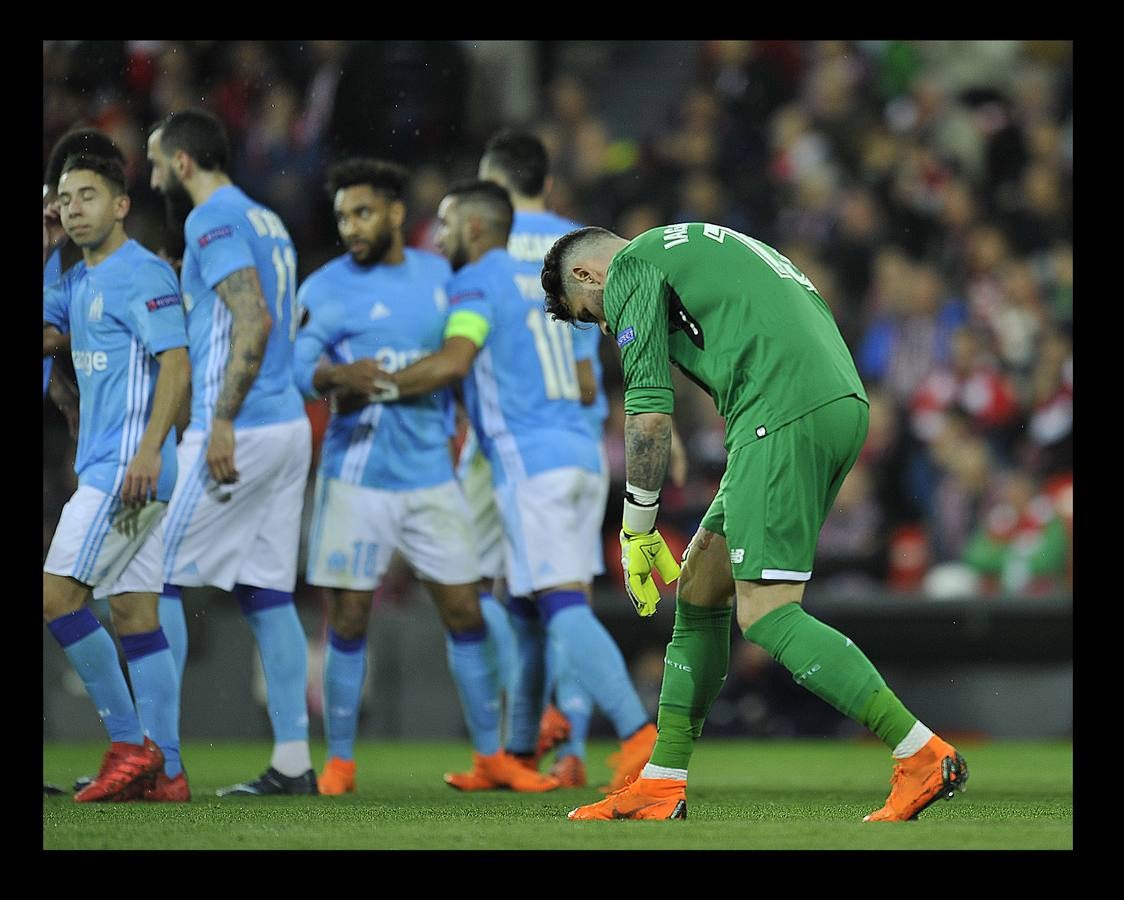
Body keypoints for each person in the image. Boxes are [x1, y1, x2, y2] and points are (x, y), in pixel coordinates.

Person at [541, 222, 969, 822]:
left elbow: (647, 417)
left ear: (589, 275)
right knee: (701, 584)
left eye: (594, 314)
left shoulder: (634, 263)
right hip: (831, 403)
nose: (608, 327)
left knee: (766, 612)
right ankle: (662, 782)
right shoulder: (705, 244)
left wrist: (636, 526)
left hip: (779, 413)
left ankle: (920, 751)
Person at [369, 181, 658, 793]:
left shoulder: (476, 283)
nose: (438, 236)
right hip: (579, 454)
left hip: (533, 466)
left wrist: (382, 384)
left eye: (445, 225)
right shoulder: (543, 279)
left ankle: (639, 736)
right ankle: (519, 752)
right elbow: (586, 383)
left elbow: (453, 359)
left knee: (560, 605)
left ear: (474, 229)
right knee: (524, 611)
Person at [292, 158, 557, 794]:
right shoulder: (324, 287)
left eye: (362, 213)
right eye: (342, 217)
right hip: (356, 477)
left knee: (466, 612)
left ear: (392, 213)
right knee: (349, 619)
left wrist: (376, 383)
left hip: (432, 476)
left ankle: (490, 756)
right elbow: (301, 368)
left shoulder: (444, 277)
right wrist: (334, 377)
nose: (351, 227)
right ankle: (341, 762)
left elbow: (467, 359)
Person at [146, 108, 316, 797]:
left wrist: (219, 420)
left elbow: (255, 316)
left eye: (157, 162)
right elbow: (270, 310)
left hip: (238, 430)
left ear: (183, 162)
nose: (152, 173)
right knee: (267, 595)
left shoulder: (209, 219)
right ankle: (295, 763)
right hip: (288, 428)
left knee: (150, 578)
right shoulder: (265, 219)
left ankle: (158, 762)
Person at [43, 152, 192, 802]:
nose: (76, 209)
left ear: (121, 205)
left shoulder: (143, 272)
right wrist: (49, 249)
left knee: (56, 599)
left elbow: (177, 365)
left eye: (88, 197)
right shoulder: (78, 281)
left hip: (128, 471)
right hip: (118, 469)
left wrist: (150, 451)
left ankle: (131, 746)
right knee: (134, 612)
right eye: (65, 200)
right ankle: (170, 775)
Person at [474, 129, 605, 787]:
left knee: (509, 594)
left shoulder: (481, 253)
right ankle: (565, 740)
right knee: (561, 592)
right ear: (546, 183)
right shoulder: (576, 246)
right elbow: (586, 374)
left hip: (511, 448)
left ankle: (530, 734)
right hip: (581, 439)